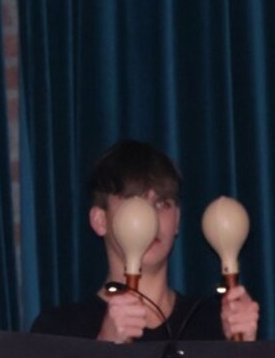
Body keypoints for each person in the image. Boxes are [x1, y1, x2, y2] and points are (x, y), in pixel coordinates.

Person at [30, 139, 259, 342]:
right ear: (100, 220)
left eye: (162, 204)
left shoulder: (214, 324)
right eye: (134, 203)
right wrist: (104, 348)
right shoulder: (58, 331)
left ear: (177, 220)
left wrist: (244, 352)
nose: (151, 220)